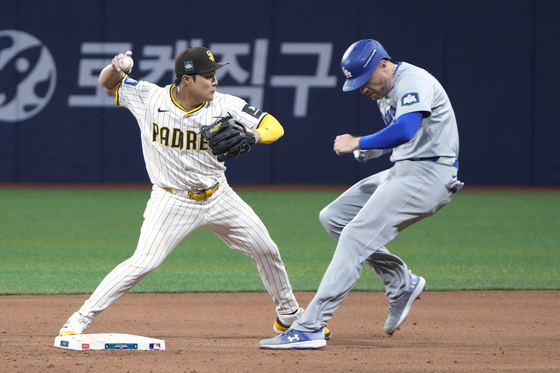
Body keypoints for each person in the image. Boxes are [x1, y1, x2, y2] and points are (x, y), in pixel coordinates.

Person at [59, 46, 330, 339]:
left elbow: (273, 125)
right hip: (171, 200)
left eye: (215, 75)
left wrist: (254, 135)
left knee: (266, 249)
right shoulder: (150, 97)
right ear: (187, 80)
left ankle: (289, 315)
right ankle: (79, 318)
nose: (215, 81)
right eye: (208, 76)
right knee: (143, 262)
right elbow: (107, 83)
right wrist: (116, 68)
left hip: (219, 196)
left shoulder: (225, 105)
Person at [260, 39, 463, 349]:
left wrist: (359, 142)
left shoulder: (413, 81)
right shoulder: (385, 92)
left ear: (384, 64)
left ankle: (311, 326)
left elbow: (406, 129)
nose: (363, 88)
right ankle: (401, 282)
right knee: (334, 218)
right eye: (356, 83)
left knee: (355, 236)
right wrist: (367, 151)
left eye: (365, 79)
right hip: (406, 170)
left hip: (431, 174)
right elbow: (401, 136)